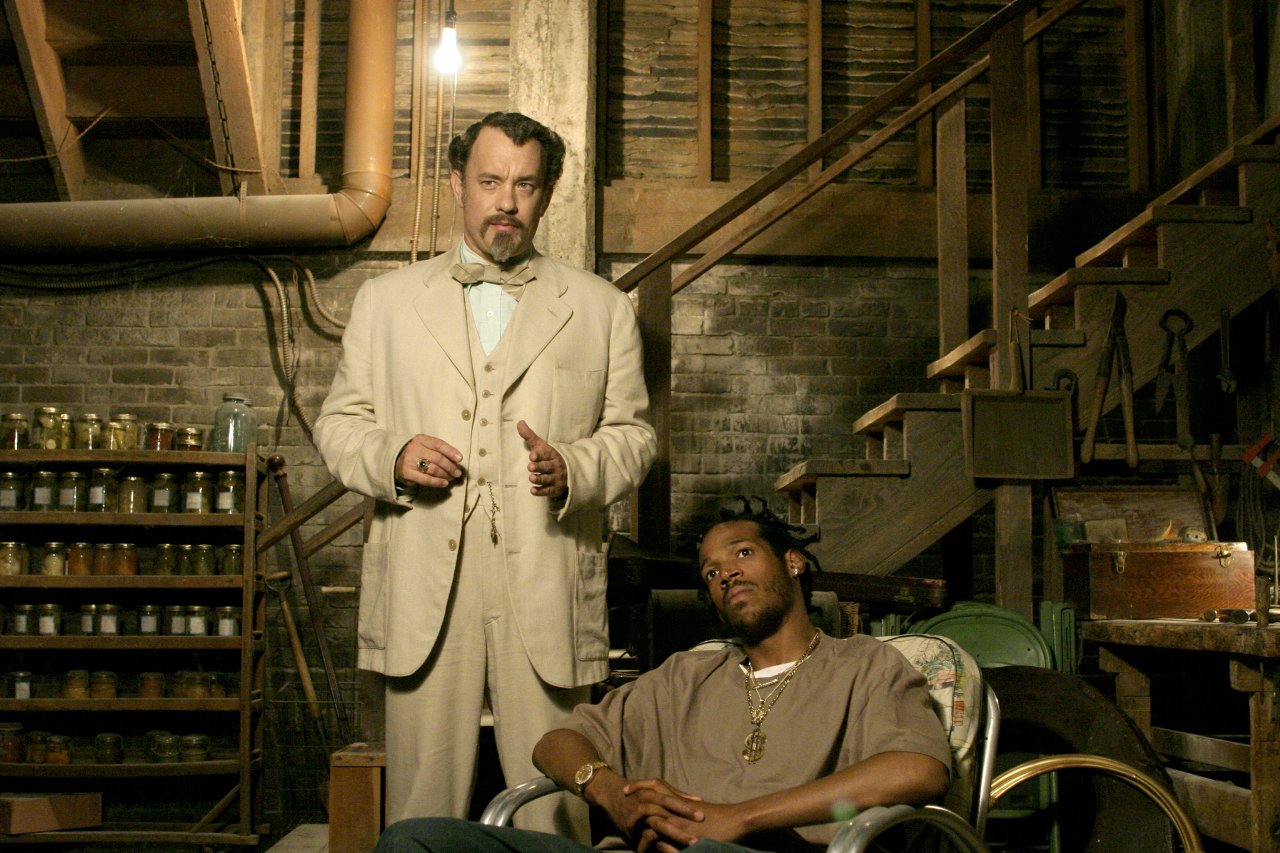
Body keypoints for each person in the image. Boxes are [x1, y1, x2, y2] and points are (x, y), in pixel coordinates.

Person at [313, 111, 657, 839]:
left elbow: (634, 437)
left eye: (525, 185)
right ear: (457, 184)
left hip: (548, 577)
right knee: (422, 807)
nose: (507, 201)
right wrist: (393, 456)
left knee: (558, 803)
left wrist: (575, 465)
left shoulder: (601, 308)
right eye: (491, 180)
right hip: (424, 584)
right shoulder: (385, 302)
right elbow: (338, 425)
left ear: (547, 193)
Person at [373, 500, 951, 852]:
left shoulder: (864, 664)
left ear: (792, 562)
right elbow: (556, 742)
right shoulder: (688, 674)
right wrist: (612, 795)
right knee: (416, 839)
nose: (726, 575)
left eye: (742, 555)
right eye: (711, 573)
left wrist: (737, 820)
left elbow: (917, 770)